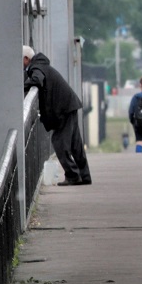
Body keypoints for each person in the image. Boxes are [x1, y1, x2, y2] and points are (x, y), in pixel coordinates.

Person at [23, 45, 92, 186]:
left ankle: (73, 175)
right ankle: (84, 176)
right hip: (68, 104)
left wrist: (23, 86)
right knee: (75, 144)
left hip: (63, 108)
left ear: (26, 59)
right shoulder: (42, 65)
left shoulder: (36, 68)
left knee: (59, 142)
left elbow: (37, 80)